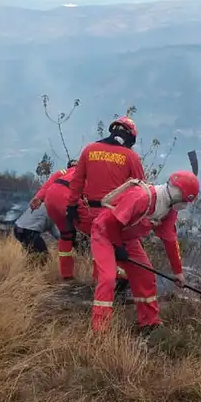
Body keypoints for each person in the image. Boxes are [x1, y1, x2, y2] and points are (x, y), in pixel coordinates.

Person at [88, 170, 200, 336]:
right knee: (108, 278)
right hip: (104, 233)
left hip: (127, 239)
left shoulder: (169, 211)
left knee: (146, 276)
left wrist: (178, 272)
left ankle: (149, 322)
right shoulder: (142, 197)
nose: (184, 205)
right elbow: (112, 223)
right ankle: (100, 329)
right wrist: (118, 247)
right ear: (176, 192)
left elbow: (170, 240)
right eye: (184, 199)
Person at [62, 117, 146, 287]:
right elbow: (141, 190)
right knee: (124, 250)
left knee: (100, 250)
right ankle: (119, 289)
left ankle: (98, 285)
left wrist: (71, 206)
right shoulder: (131, 157)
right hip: (116, 217)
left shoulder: (89, 150)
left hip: (89, 213)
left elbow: (77, 181)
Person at [29, 159, 79, 279]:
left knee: (66, 235)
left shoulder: (61, 172)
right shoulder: (82, 171)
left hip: (50, 201)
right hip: (66, 199)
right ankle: (98, 278)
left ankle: (66, 274)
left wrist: (38, 198)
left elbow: (47, 185)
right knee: (96, 234)